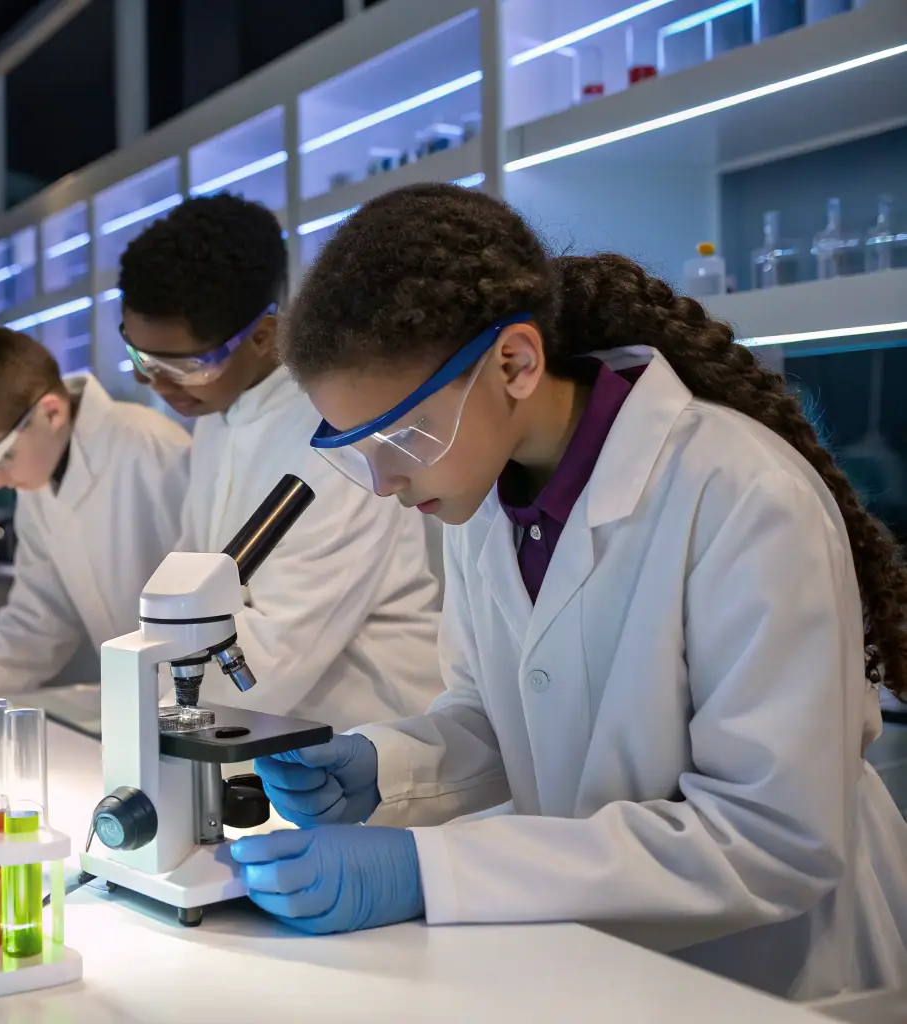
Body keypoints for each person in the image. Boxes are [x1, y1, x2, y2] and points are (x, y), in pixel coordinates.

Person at [232, 183, 907, 1000]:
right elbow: (501, 711)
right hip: (603, 965)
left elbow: (769, 838)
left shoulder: (739, 491)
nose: (381, 483)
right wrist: (388, 764)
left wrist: (431, 869)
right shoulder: (489, 497)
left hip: (778, 973)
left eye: (401, 435)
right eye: (355, 446)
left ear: (513, 363)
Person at [117, 193, 442, 731]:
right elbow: (193, 593)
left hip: (372, 745)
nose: (154, 385)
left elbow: (274, 655)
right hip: (263, 739)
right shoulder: (215, 417)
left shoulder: (335, 434)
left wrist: (145, 713)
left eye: (183, 366)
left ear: (264, 336)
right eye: (140, 358)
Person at [0, 327, 190, 693]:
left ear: (51, 413)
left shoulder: (150, 448)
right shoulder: (38, 479)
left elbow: (215, 608)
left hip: (206, 703)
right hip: (140, 705)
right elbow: (39, 618)